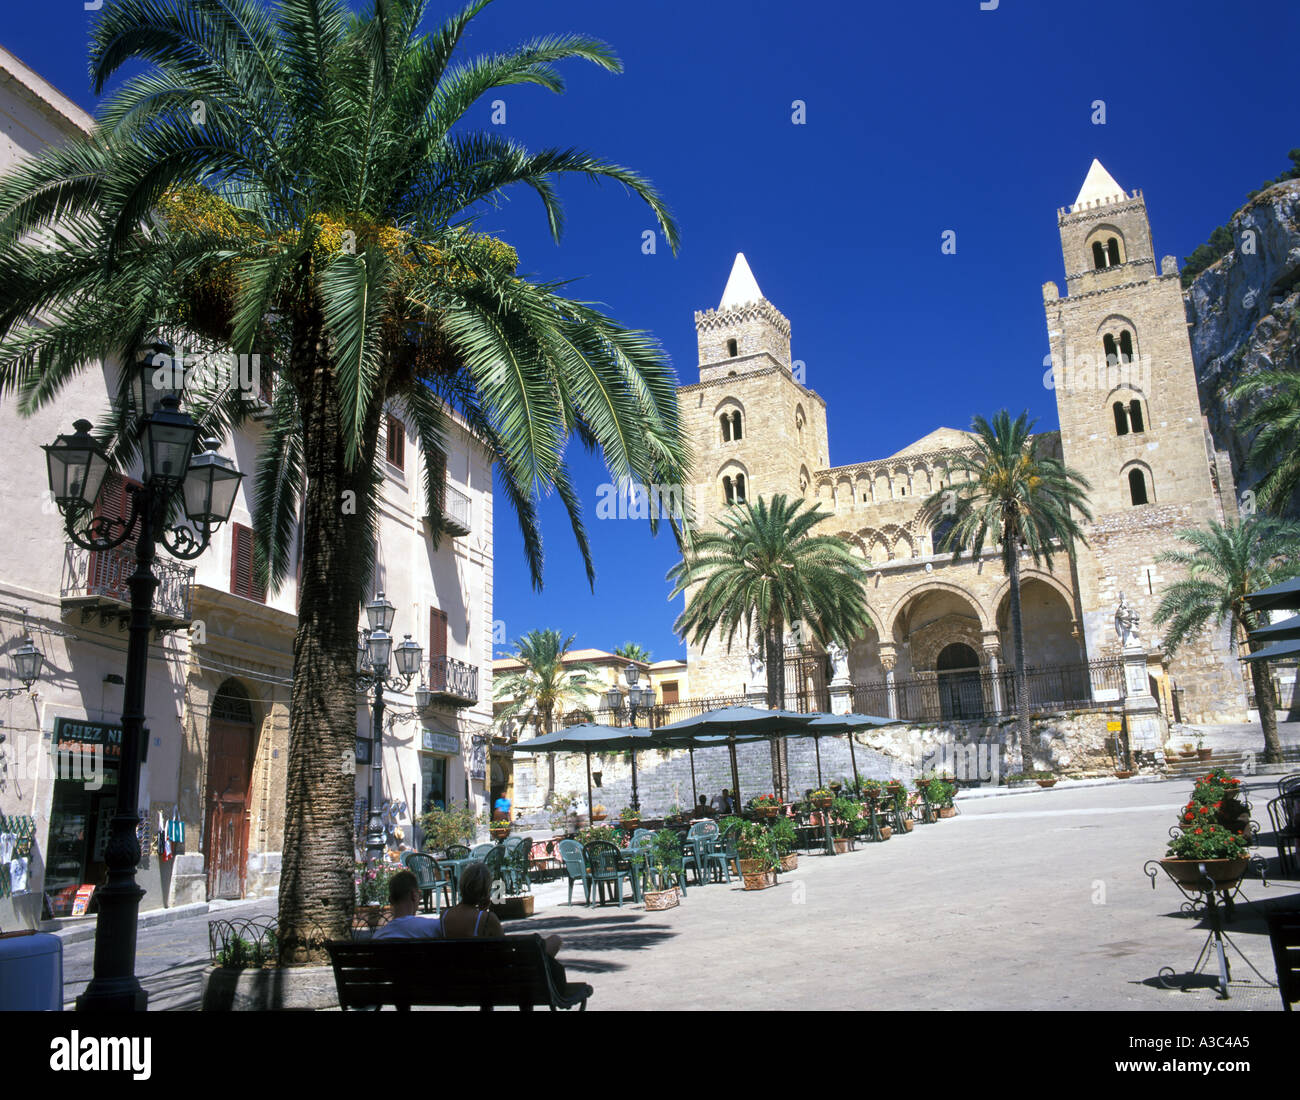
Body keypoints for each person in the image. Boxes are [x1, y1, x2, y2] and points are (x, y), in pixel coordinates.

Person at [442, 862, 568, 985]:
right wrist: (484, 913)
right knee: (555, 940)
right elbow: (506, 953)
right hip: (493, 980)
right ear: (485, 890)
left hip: (460, 980)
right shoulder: (487, 919)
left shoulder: (445, 915)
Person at [371, 869, 443, 940]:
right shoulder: (433, 927)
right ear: (414, 895)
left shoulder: (378, 936)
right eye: (419, 895)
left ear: (391, 900)